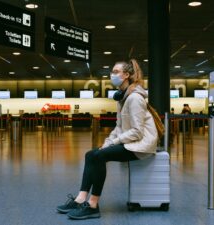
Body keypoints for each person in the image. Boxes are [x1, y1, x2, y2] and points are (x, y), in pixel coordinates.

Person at [56, 59, 158, 220]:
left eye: (116, 72)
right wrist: (107, 142)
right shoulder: (122, 98)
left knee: (99, 156)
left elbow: (137, 132)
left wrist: (113, 143)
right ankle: (80, 199)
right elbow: (119, 127)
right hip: (131, 142)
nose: (112, 74)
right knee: (91, 154)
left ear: (126, 75)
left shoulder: (135, 98)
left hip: (141, 146)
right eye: (112, 71)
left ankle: (93, 205)